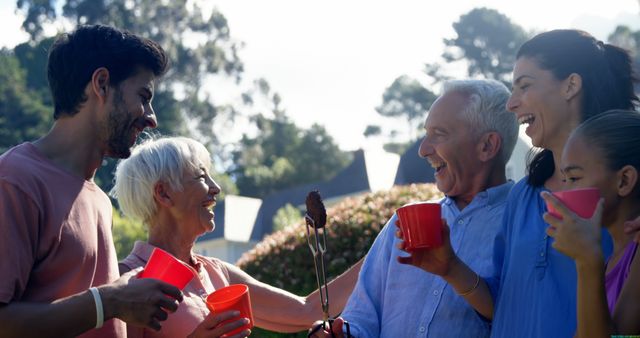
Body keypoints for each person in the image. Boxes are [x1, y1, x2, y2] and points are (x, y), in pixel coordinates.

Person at [400, 29, 639, 338]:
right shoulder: (523, 196)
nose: (511, 104)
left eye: (524, 86)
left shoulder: (620, 193)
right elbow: (506, 304)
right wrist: (451, 269)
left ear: (571, 85)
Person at [0, 24, 184, 338]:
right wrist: (110, 301)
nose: (152, 117)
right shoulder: (15, 180)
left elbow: (90, 312)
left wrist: (123, 294)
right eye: (143, 96)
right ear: (101, 84)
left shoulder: (98, 198)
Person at [310, 78, 518, 337]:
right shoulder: (403, 221)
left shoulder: (525, 220)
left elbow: (524, 320)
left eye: (439, 134)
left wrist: (456, 271)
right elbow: (361, 316)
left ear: (487, 146)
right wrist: (342, 334)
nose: (422, 149)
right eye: (425, 134)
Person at [110, 136, 363, 338]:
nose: (216, 188)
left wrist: (386, 248)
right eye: (201, 176)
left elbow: (308, 311)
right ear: (164, 194)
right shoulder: (127, 283)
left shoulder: (218, 273)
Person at [541, 110, 640, 337]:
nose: (563, 192)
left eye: (574, 179)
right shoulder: (613, 259)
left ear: (623, 181)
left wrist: (587, 261)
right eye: (564, 180)